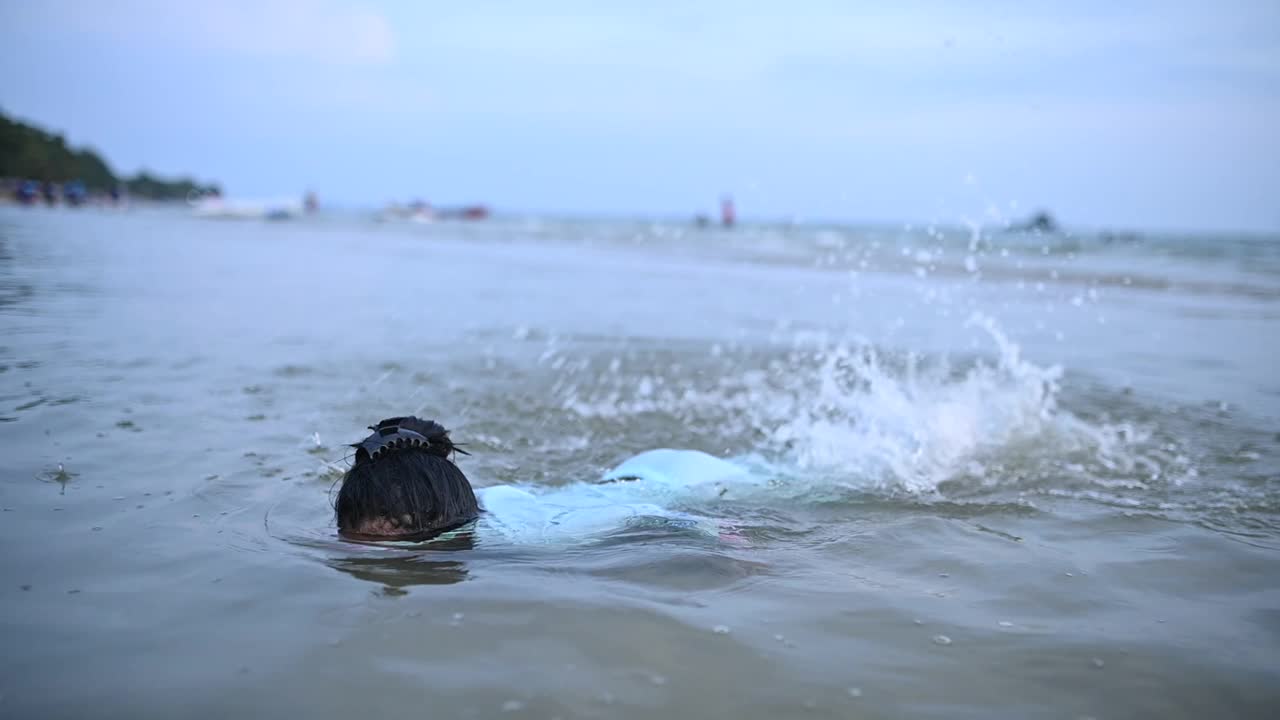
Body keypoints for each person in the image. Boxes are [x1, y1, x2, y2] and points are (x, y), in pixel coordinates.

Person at [335, 416, 750, 544]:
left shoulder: (527, 536)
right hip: (618, 479)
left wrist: (723, 538)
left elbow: (642, 512)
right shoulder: (446, 502)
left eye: (384, 528)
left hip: (683, 477)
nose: (364, 533)